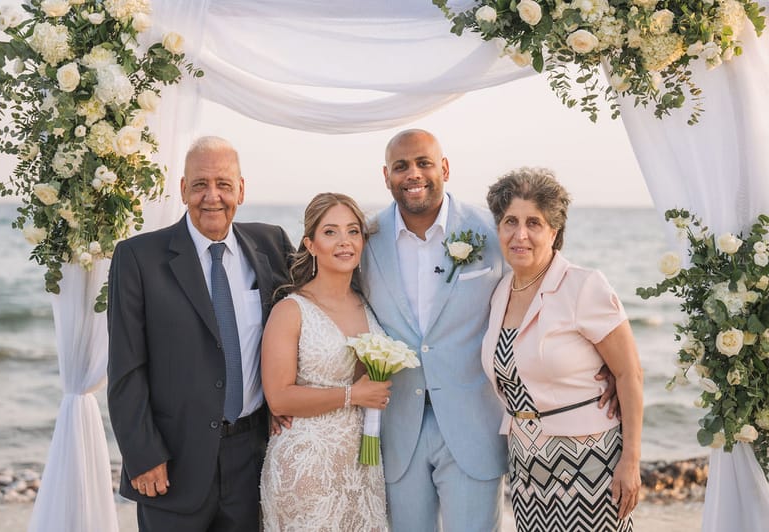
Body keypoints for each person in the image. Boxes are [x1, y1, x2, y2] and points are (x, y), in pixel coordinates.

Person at [107, 136, 294, 531]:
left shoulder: (273, 244)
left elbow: (309, 317)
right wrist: (143, 454)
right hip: (172, 463)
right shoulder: (138, 257)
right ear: (182, 190)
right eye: (199, 184)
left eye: (223, 184)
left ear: (241, 189)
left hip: (253, 458)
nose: (212, 197)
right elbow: (126, 368)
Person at [360, 129, 507, 531]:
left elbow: (529, 299)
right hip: (397, 427)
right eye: (401, 166)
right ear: (386, 176)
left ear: (444, 167)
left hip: (473, 424)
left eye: (424, 163)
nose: (413, 174)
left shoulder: (491, 231)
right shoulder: (365, 238)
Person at [481, 167, 643, 531]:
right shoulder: (500, 291)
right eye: (510, 222)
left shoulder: (583, 286)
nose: (520, 234)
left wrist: (631, 461)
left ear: (554, 232)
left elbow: (629, 372)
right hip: (526, 465)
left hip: (590, 462)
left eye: (534, 223)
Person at [260, 192, 391, 530]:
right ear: (311, 244)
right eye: (330, 232)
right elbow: (279, 397)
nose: (344, 241)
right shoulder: (291, 310)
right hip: (306, 467)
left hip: (363, 466)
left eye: (353, 231)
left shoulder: (369, 304)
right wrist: (352, 395)